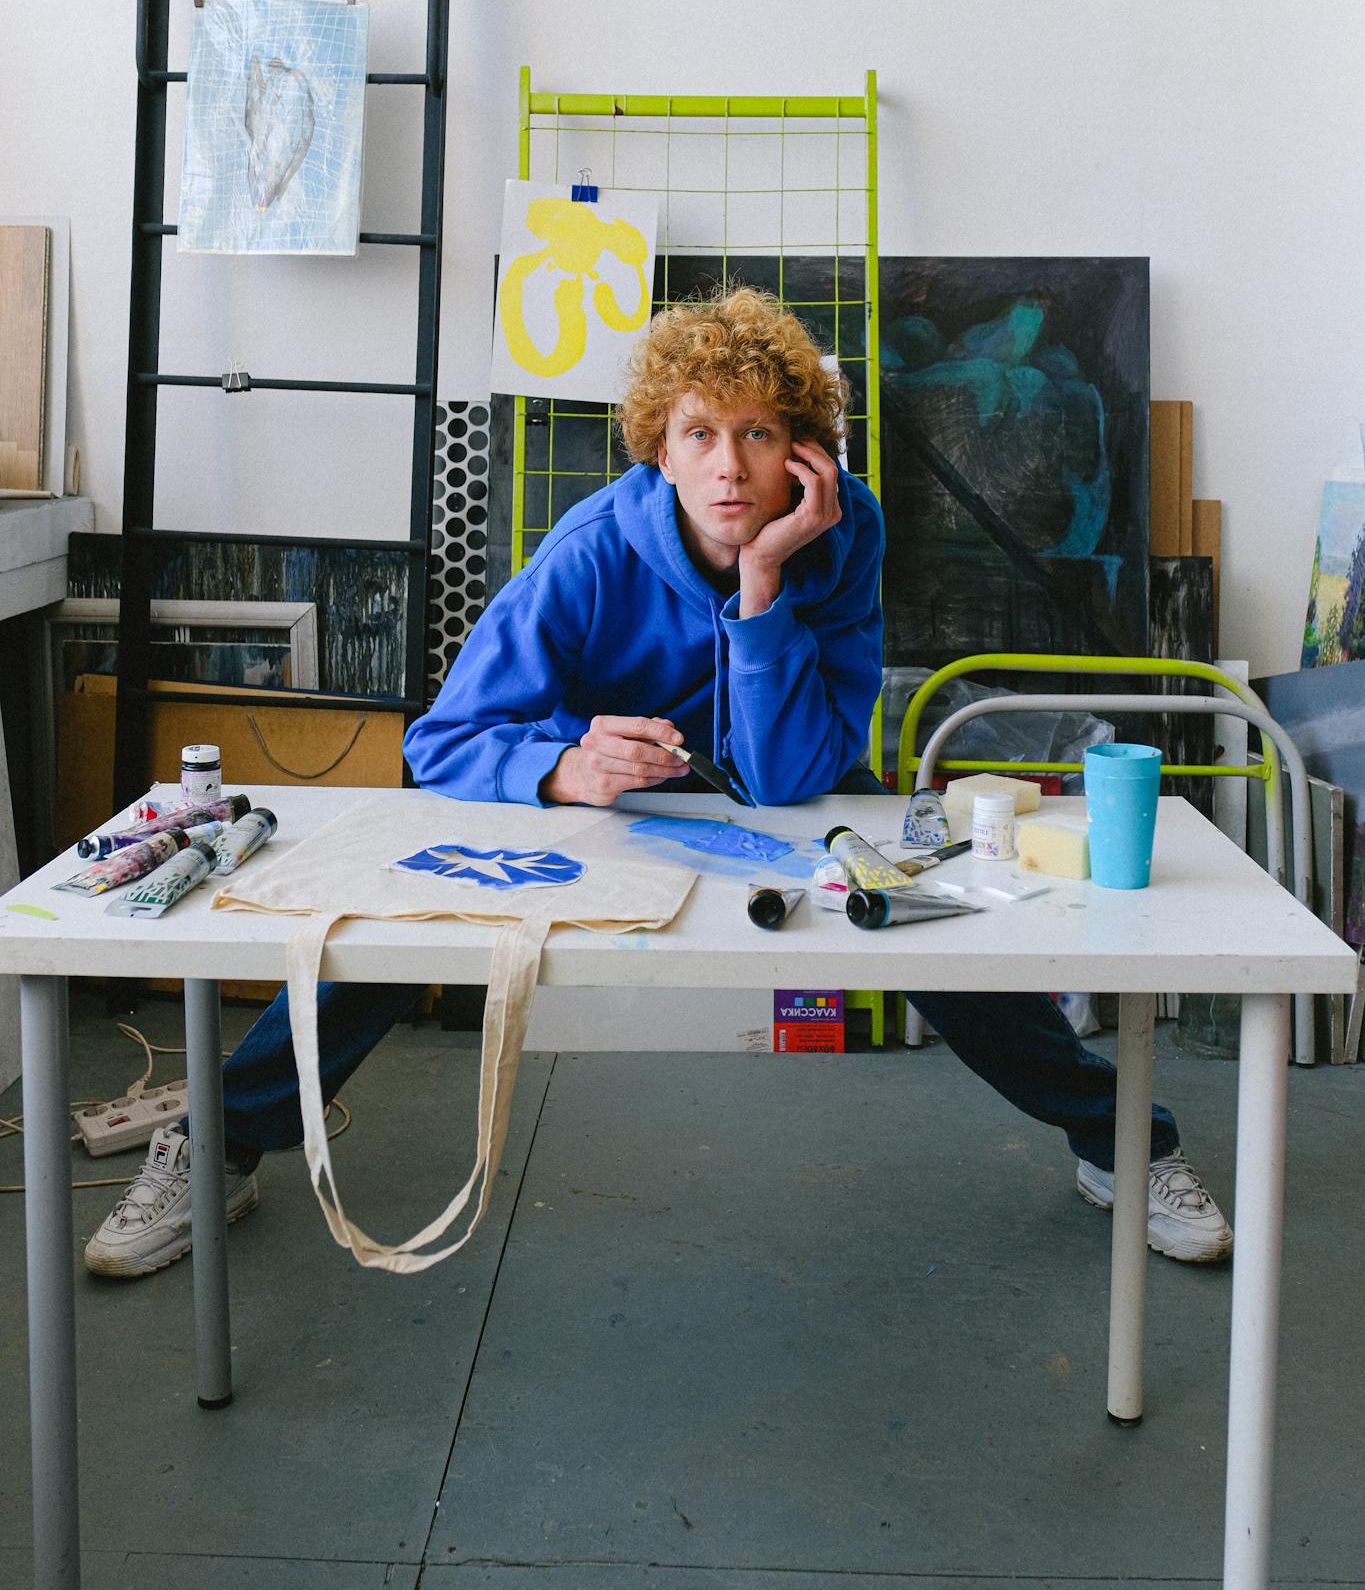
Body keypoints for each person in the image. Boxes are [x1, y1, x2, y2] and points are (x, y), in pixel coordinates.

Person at [86, 287, 1232, 1277]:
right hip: (609, 806)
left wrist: (766, 577)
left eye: (757, 432)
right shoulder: (591, 550)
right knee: (416, 926)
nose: (729, 467)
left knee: (927, 932)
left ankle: (1127, 1141)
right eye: (697, 434)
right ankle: (218, 1143)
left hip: (798, 788)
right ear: (658, 444)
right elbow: (442, 740)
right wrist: (562, 763)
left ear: (805, 452)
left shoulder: (843, 534)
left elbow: (789, 776)